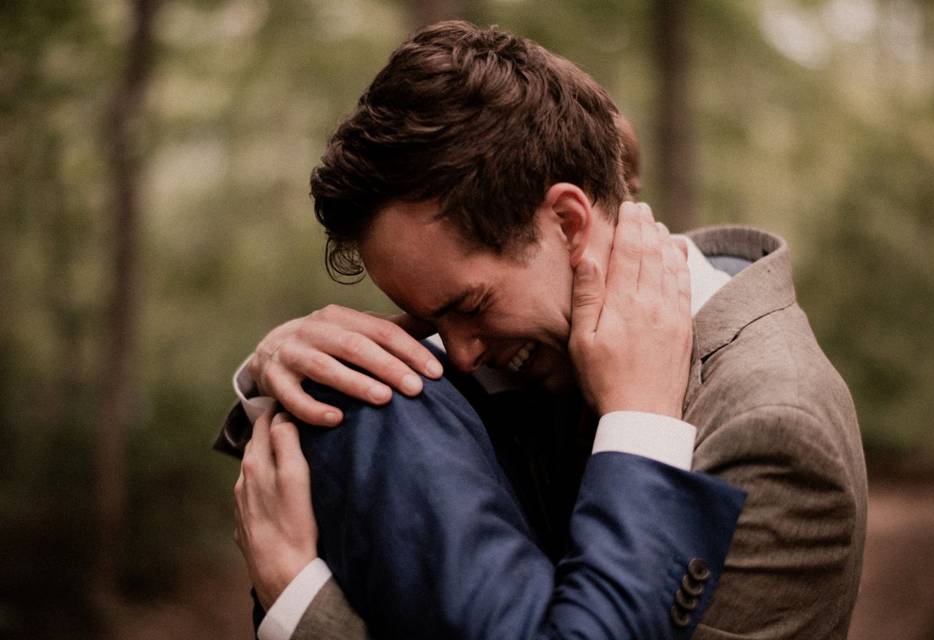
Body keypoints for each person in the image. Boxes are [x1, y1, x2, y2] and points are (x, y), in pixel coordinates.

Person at [219, 21, 867, 640]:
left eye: (469, 304)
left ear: (565, 222)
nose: (460, 354)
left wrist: (302, 608)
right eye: (428, 318)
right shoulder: (546, 325)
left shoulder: (773, 422)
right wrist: (278, 360)